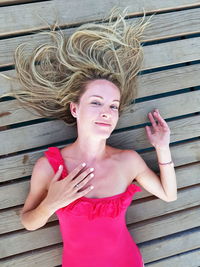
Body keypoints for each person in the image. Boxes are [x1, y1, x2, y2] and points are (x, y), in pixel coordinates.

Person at [1, 7, 177, 267]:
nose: (106, 112)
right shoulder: (50, 167)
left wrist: (162, 148)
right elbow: (28, 222)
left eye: (113, 106)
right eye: (96, 103)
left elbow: (168, 195)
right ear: (75, 109)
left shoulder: (128, 161)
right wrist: (52, 203)